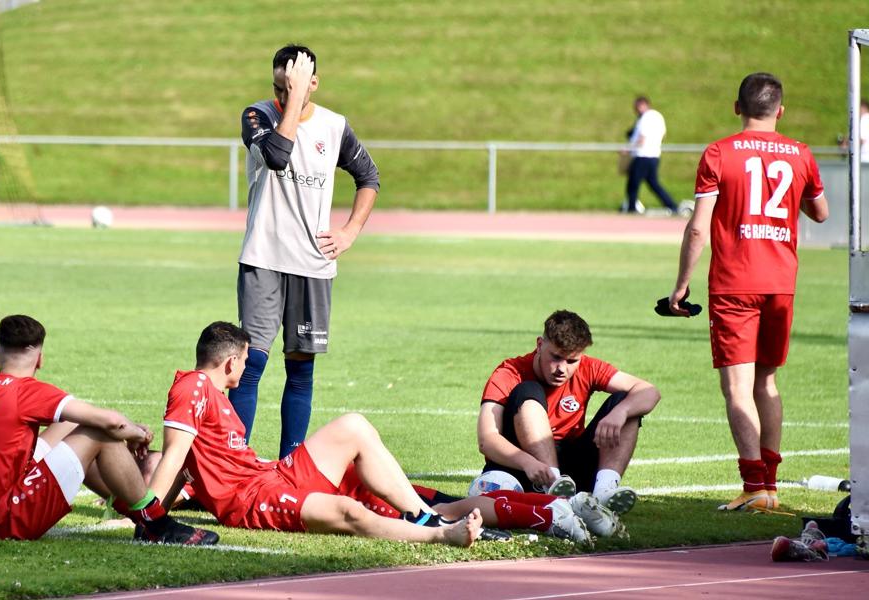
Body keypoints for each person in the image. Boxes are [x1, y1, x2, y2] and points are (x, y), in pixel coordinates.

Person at [149, 321, 626, 547]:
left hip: (272, 477)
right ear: (232, 361)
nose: (245, 371)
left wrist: (161, 490)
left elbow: (178, 464)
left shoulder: (206, 394)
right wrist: (149, 515)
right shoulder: (193, 386)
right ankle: (451, 531)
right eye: (245, 362)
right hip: (253, 499)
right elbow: (172, 459)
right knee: (350, 510)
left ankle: (432, 518)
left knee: (360, 431)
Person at [667, 72, 828, 512]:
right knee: (767, 382)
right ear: (780, 110)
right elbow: (821, 211)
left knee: (738, 389)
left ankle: (754, 484)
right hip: (781, 283)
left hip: (734, 284)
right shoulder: (800, 153)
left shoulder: (719, 152)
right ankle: (770, 487)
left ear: (736, 107)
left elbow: (699, 226)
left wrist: (681, 284)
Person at [0, 315, 218, 545]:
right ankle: (155, 523)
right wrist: (136, 432)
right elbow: (111, 422)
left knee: (73, 424)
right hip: (3, 520)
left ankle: (134, 510)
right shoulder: (25, 391)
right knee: (99, 434)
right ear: (39, 359)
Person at [229, 44, 380, 459]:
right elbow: (277, 157)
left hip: (313, 265)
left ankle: (288, 464)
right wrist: (292, 102)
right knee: (250, 366)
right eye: (278, 87)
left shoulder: (334, 126)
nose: (282, 95)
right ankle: (237, 461)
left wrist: (349, 231)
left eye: (292, 87)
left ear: (315, 82)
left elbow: (369, 176)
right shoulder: (257, 116)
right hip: (263, 257)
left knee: (301, 369)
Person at [476, 310, 661, 516]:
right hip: (526, 470)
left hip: (572, 472)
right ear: (539, 345)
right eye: (555, 357)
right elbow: (487, 439)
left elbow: (650, 391)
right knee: (528, 391)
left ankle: (603, 493)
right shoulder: (510, 372)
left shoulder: (588, 367)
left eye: (572, 361)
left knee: (625, 402)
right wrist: (528, 462)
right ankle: (552, 487)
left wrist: (621, 412)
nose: (561, 369)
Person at [622, 96, 678, 214]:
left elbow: (642, 138)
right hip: (654, 155)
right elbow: (663, 134)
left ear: (642, 105)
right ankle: (671, 205)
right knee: (653, 183)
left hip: (643, 155)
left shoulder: (646, 118)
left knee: (633, 183)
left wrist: (628, 149)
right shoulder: (658, 116)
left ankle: (631, 208)